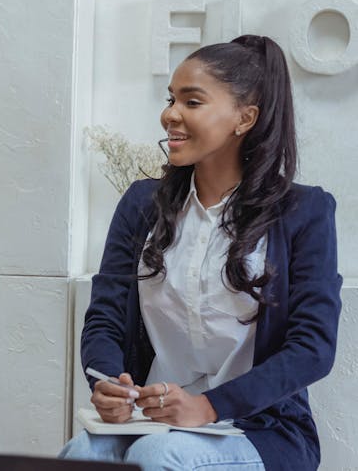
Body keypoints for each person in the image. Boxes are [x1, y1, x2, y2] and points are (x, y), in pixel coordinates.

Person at [60, 35, 342, 471]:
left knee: (159, 457)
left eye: (192, 102)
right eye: (171, 99)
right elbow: (105, 316)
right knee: (80, 455)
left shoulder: (303, 212)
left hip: (258, 428)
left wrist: (209, 406)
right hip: (149, 419)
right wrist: (108, 382)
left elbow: (312, 348)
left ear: (244, 118)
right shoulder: (141, 204)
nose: (170, 114)